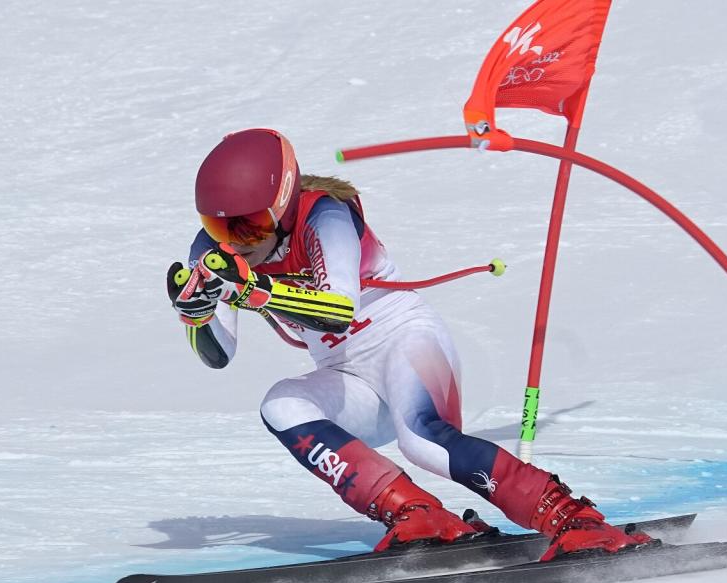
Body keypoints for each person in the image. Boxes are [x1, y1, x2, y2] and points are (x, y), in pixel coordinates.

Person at [166, 128, 653, 559]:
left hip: (406, 341)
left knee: (421, 440)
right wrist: (197, 313)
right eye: (217, 227)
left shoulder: (325, 216)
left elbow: (339, 307)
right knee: (280, 405)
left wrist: (252, 290)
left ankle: (574, 519)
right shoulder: (216, 251)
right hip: (347, 372)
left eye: (249, 226)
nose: (236, 241)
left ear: (285, 202)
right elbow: (219, 355)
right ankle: (418, 515)